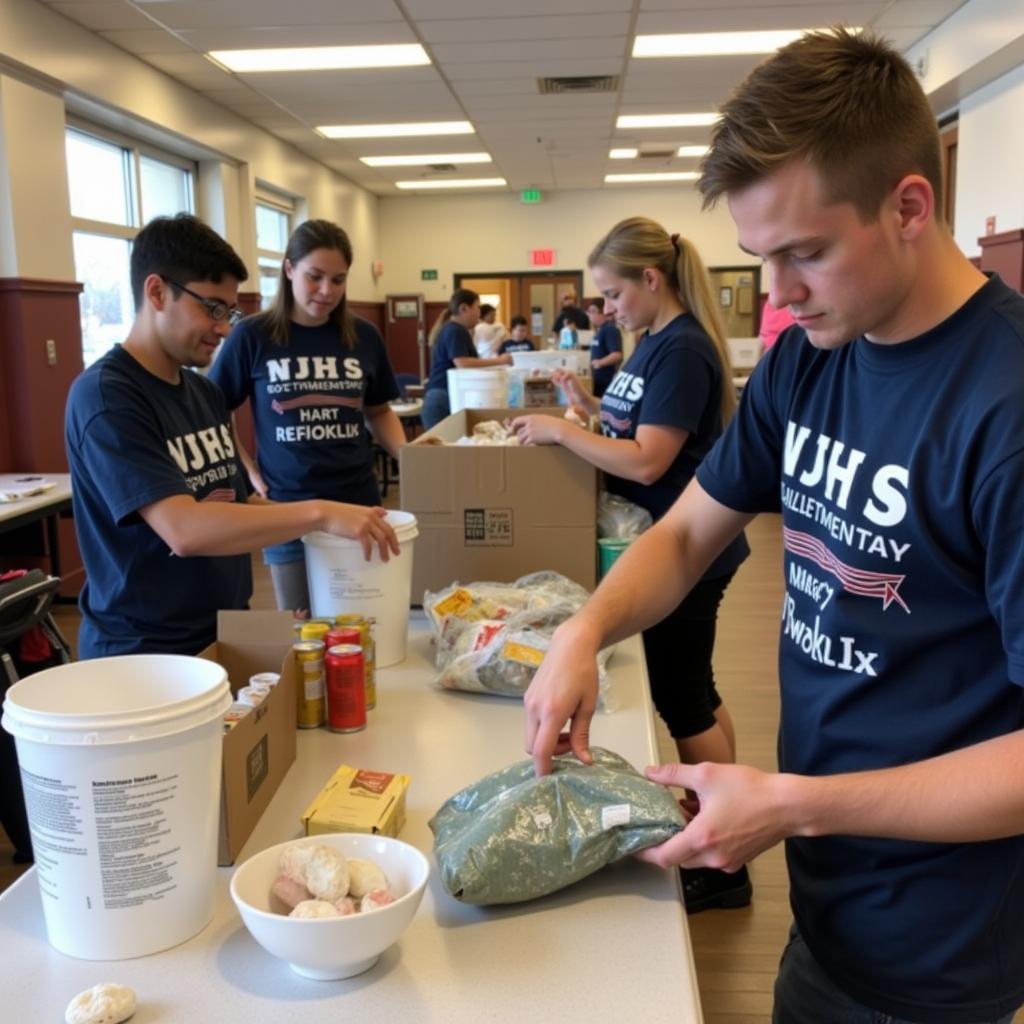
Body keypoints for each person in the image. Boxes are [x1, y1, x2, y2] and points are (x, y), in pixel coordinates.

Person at [522, 28, 1024, 1024]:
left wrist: (793, 803)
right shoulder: (810, 360)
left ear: (908, 207)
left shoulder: (1001, 408)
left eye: (806, 254)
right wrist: (584, 629)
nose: (780, 294)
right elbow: (684, 533)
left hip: (938, 944)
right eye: (762, 257)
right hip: (829, 894)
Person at [511, 217, 750, 913]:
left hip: (688, 548)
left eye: (613, 294)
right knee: (693, 686)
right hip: (671, 540)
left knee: (681, 693)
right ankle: (719, 808)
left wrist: (563, 431)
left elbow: (650, 459)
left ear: (652, 279)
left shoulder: (681, 350)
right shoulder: (650, 346)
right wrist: (585, 410)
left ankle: (724, 856)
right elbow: (632, 432)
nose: (606, 309)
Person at [65, 214, 398, 659]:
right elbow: (184, 529)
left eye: (229, 312)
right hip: (144, 650)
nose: (223, 328)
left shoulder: (201, 392)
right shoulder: (108, 396)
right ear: (157, 291)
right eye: (211, 308)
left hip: (222, 629)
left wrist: (317, 535)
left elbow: (238, 505)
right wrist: (320, 513)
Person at [208, 219, 405, 613]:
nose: (326, 291)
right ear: (288, 269)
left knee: (363, 624)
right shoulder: (252, 336)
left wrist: (413, 458)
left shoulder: (363, 337)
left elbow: (379, 410)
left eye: (338, 279)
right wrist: (245, 469)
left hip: (358, 506)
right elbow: (212, 412)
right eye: (315, 277)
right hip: (286, 511)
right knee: (303, 634)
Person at [421, 288, 512, 429]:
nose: (479, 313)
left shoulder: (455, 329)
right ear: (464, 308)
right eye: (477, 307)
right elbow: (462, 363)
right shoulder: (454, 330)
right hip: (441, 398)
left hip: (442, 396)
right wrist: (500, 361)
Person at [585, 297, 623, 397]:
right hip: (597, 380)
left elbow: (617, 355)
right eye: (589, 311)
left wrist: (599, 363)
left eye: (593, 311)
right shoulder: (600, 330)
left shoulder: (610, 329)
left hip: (605, 381)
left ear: (603, 312)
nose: (590, 315)